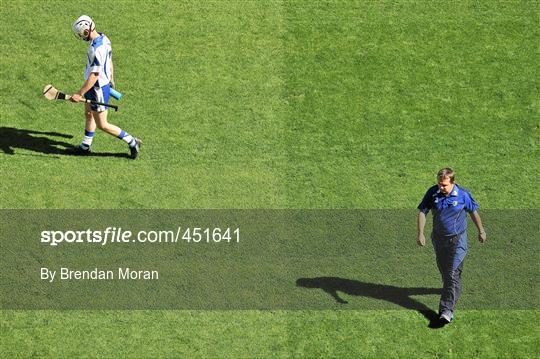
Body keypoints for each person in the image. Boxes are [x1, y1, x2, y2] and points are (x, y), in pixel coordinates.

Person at [417, 168, 486, 324]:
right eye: (439, 184)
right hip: (438, 240)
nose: (441, 188)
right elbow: (422, 211)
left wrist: (481, 231)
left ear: (453, 182)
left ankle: (446, 310)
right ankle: (452, 288)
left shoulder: (463, 195)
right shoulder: (433, 193)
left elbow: (473, 212)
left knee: (452, 274)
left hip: (457, 241)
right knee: (445, 272)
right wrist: (420, 233)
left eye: (445, 185)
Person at [70, 15, 141, 159]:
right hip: (97, 86)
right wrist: (111, 78)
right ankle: (85, 146)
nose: (80, 37)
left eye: (80, 33)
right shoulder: (104, 38)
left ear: (85, 31)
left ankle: (132, 141)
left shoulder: (96, 49)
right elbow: (109, 61)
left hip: (97, 89)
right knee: (89, 114)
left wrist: (80, 93)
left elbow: (94, 75)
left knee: (102, 124)